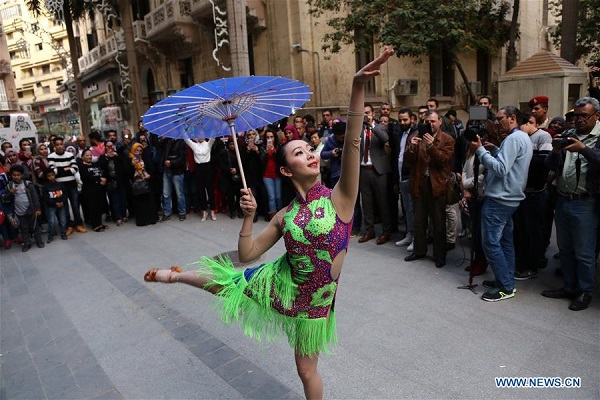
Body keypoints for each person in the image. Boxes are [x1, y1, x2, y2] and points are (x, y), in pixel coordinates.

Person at [143, 48, 394, 399]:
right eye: (298, 152)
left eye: (309, 148)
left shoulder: (341, 198)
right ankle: (178, 275)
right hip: (282, 282)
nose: (309, 153)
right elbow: (247, 255)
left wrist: (356, 87)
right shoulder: (284, 215)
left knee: (307, 371)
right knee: (228, 282)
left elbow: (352, 142)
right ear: (287, 170)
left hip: (315, 304)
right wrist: (248, 217)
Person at [542, 97, 600, 311]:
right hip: (563, 198)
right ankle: (568, 286)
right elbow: (548, 165)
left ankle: (585, 291)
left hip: (586, 203)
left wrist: (583, 148)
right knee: (565, 249)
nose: (578, 119)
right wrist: (556, 150)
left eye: (584, 115)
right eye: (576, 115)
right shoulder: (569, 134)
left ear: (597, 116)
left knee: (584, 253)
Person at [471, 106, 533, 302]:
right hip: (509, 198)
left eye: (500, 119)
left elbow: (501, 168)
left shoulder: (514, 138)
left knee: (490, 242)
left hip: (500, 199)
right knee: (505, 241)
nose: (496, 123)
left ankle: (506, 286)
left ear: (512, 118)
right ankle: (504, 279)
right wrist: (496, 150)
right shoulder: (522, 137)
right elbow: (512, 164)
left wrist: (480, 151)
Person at [403, 110, 455, 268]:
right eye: (427, 122)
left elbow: (443, 161)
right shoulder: (415, 137)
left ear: (440, 121)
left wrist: (431, 146)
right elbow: (407, 161)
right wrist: (411, 148)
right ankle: (419, 250)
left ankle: (440, 254)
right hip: (419, 183)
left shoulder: (447, 139)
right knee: (418, 221)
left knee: (438, 222)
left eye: (433, 121)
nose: (430, 124)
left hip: (437, 183)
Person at [2, 164, 43, 251]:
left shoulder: (28, 184)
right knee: (23, 229)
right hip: (19, 212)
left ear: (22, 175)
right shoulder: (10, 186)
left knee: (35, 227)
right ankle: (27, 243)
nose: (16, 177)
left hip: (31, 210)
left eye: (18, 175)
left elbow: (35, 197)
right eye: (14, 175)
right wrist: (11, 193)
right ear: (11, 175)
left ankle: (39, 241)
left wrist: (37, 209)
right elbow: (5, 199)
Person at [184, 137, 217, 221]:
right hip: (198, 168)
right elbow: (186, 139)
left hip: (208, 167)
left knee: (210, 190)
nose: (200, 137)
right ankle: (204, 211)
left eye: (202, 135)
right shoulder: (194, 145)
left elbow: (213, 137)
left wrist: (215, 125)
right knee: (200, 190)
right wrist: (183, 126)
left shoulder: (208, 144)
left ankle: (212, 211)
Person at [79, 148, 108, 232]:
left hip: (99, 188)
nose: (89, 157)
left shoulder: (94, 164)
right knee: (93, 207)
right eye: (87, 155)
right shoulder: (82, 166)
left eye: (90, 155)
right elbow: (87, 177)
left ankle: (100, 223)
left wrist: (102, 178)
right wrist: (99, 179)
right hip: (89, 190)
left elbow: (100, 173)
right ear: (82, 157)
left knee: (99, 207)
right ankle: (95, 225)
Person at [129, 143, 158, 227]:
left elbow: (149, 168)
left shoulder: (144, 158)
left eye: (140, 150)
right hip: (137, 183)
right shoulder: (130, 159)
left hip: (145, 181)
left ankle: (150, 219)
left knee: (149, 201)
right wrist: (133, 164)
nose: (138, 152)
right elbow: (128, 171)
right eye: (136, 150)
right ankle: (142, 220)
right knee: (140, 203)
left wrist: (147, 174)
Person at [42, 169, 68, 242]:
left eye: (52, 175)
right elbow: (46, 198)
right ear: (46, 177)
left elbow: (65, 194)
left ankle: (63, 233)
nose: (51, 177)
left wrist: (62, 202)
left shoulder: (60, 184)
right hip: (51, 206)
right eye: (49, 176)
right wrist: (54, 203)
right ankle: (50, 235)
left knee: (63, 220)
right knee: (51, 221)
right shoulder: (45, 187)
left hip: (61, 204)